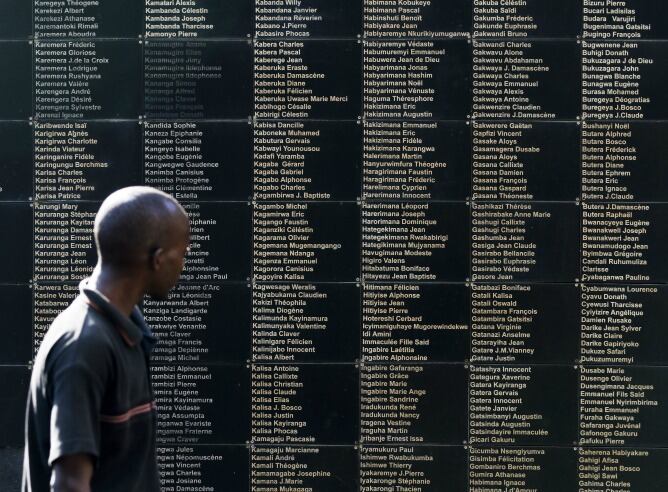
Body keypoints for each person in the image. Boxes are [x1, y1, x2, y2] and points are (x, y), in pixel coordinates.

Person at [22, 186, 190, 492]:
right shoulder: (84, 347)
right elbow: (70, 484)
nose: (184, 263)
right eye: (183, 252)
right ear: (158, 258)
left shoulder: (126, 331)